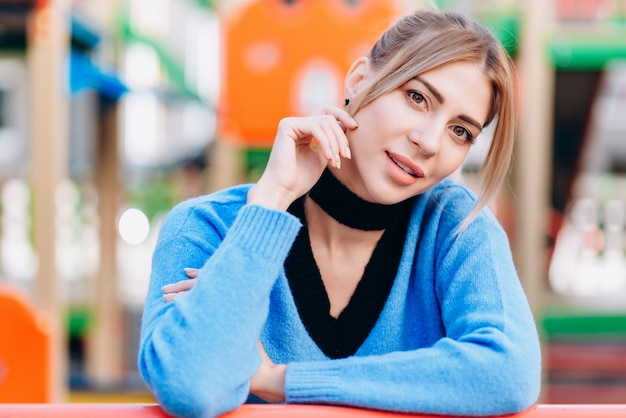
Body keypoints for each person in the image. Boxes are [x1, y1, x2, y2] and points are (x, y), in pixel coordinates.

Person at [138, 8, 541, 418]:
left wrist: (281, 380)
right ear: (360, 79)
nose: (430, 141)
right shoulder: (208, 227)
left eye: (461, 131)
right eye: (417, 98)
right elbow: (188, 385)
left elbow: (508, 374)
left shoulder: (455, 229)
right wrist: (269, 203)